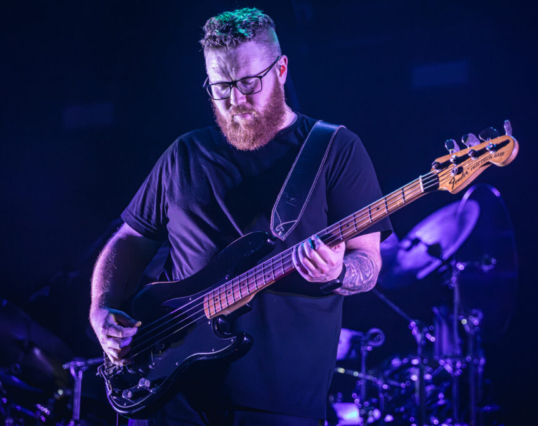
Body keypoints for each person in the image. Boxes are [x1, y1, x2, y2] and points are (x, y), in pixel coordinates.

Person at [89, 8, 392, 426]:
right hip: (168, 394)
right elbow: (129, 239)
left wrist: (338, 273)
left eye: (249, 82)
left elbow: (368, 262)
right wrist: (101, 306)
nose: (235, 100)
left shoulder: (334, 149)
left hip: (279, 398)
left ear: (281, 70)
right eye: (221, 86)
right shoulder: (185, 153)